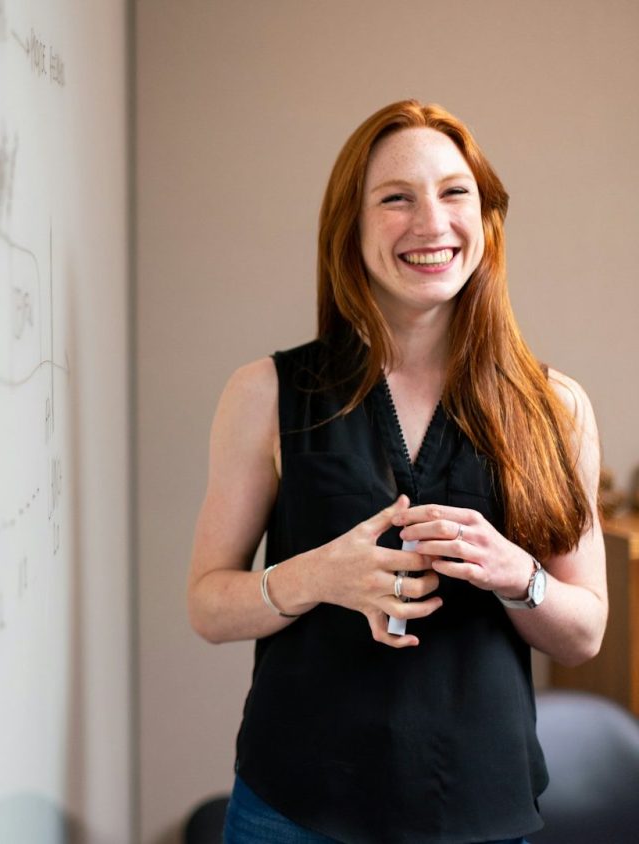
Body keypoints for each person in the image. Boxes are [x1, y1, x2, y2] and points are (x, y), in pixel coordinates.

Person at [187, 100, 607, 844]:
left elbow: (584, 633)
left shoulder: (557, 407)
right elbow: (208, 605)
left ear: (486, 218)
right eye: (395, 199)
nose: (431, 223)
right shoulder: (265, 393)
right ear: (350, 226)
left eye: (453, 193)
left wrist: (517, 574)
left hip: (481, 813)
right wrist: (316, 576)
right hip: (294, 812)